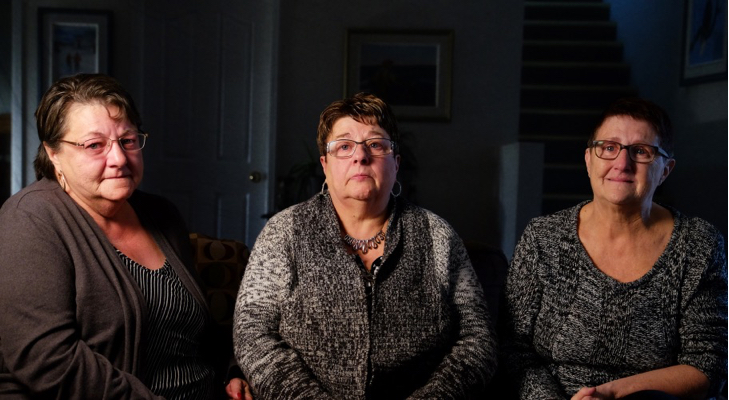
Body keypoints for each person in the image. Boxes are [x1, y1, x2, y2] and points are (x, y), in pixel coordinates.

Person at [0, 73, 251, 400]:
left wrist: (231, 369)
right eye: (94, 145)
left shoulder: (161, 213)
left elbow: (193, 326)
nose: (119, 159)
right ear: (53, 153)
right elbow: (49, 359)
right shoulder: (30, 219)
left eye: (128, 140)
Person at [233, 92, 497, 399]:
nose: (361, 156)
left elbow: (478, 340)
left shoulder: (437, 234)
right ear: (325, 166)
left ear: (396, 164)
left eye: (375, 144)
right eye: (344, 146)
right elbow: (252, 334)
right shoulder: (284, 232)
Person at [500, 97, 727, 399]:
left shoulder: (698, 244)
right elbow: (514, 352)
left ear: (665, 170)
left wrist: (607, 394)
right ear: (588, 159)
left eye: (641, 152)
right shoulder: (543, 238)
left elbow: (707, 365)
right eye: (609, 148)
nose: (622, 163)